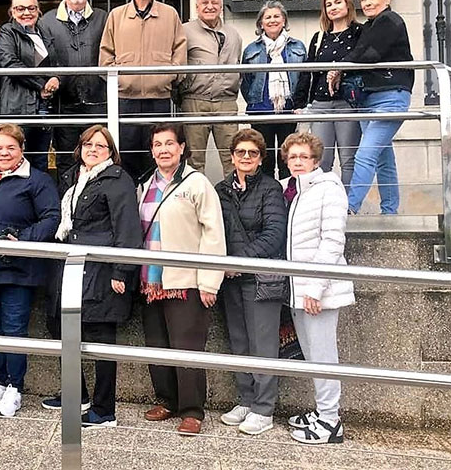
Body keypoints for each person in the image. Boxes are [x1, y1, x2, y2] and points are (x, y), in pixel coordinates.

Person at [41, 125, 141, 427]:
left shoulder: (118, 180)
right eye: (88, 144)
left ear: (110, 152)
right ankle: (76, 394)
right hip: (70, 266)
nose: (93, 149)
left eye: (100, 145)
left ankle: (104, 408)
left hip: (102, 270)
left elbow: (127, 229)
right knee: (61, 329)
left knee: (100, 339)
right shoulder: (72, 177)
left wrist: (121, 270)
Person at [0, 123, 60, 417]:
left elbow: (51, 217)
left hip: (18, 268)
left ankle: (15, 389)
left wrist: (22, 241)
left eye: (10, 147)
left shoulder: (36, 180)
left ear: (22, 149)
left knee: (14, 330)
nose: (3, 153)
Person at [139, 124, 226, 436]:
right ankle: (167, 399)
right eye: (157, 144)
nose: (163, 150)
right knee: (158, 345)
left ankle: (192, 410)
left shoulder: (197, 183)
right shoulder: (145, 184)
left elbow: (214, 234)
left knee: (186, 347)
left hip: (185, 280)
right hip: (151, 280)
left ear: (181, 148)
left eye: (169, 144)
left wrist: (209, 282)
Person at [279, 132, 354, 445]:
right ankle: (323, 412)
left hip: (317, 291)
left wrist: (315, 288)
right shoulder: (289, 189)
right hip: (297, 289)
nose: (298, 162)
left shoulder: (329, 189)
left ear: (315, 160)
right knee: (311, 355)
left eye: (303, 157)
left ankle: (330, 421)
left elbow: (333, 240)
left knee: (323, 355)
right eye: (293, 157)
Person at [215, 129, 287, 435]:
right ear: (231, 157)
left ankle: (264, 407)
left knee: (263, 344)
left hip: (259, 277)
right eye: (241, 152)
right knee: (239, 341)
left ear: (261, 158)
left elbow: (273, 234)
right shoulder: (220, 190)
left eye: (252, 153)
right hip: (231, 279)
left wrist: (238, 260)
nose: (246, 157)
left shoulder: (270, 189)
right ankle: (246, 398)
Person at [328, 0, 414, 214]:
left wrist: (339, 68)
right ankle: (390, 211)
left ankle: (349, 207)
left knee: (365, 154)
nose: (367, 3)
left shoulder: (390, 20)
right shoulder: (370, 26)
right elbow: (359, 52)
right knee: (383, 158)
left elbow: (370, 54)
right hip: (369, 98)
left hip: (391, 96)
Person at [99, 0, 187, 182]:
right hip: (125, 100)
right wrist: (120, 81)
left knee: (158, 155)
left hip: (159, 99)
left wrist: (169, 77)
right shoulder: (116, 16)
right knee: (124, 157)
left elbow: (180, 51)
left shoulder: (170, 15)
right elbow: (105, 56)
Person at [39, 0, 108, 178]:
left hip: (97, 102)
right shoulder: (47, 22)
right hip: (64, 104)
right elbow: (42, 61)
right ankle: (66, 205)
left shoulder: (103, 18)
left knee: (99, 157)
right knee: (66, 160)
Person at [294, 0, 363, 186]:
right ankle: (323, 203)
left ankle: (349, 207)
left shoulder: (359, 32)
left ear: (348, 4)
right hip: (320, 104)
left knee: (349, 159)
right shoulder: (319, 38)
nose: (333, 7)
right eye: (328, 4)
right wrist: (299, 103)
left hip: (346, 103)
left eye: (338, 2)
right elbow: (307, 72)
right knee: (321, 160)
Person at [177, 0, 242, 176]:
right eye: (205, 2)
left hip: (226, 102)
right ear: (197, 7)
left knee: (233, 159)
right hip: (195, 101)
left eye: (214, 2)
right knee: (194, 160)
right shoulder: (184, 30)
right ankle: (196, 202)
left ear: (221, 6)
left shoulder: (234, 34)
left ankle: (235, 202)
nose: (210, 6)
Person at [241, 0, 306, 179]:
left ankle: (288, 198)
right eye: (267, 17)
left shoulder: (298, 47)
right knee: (264, 160)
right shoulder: (251, 49)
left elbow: (304, 79)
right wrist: (256, 101)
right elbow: (246, 83)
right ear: (261, 23)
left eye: (277, 16)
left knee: (287, 158)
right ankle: (267, 200)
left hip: (289, 111)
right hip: (261, 112)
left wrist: (299, 104)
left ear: (284, 20)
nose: (272, 20)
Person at [0, 0, 58, 172]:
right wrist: (41, 85)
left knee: (39, 161)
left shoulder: (44, 33)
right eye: (20, 8)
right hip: (18, 108)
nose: (26, 13)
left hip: (44, 107)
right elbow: (10, 63)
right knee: (15, 160)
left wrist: (57, 78)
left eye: (31, 8)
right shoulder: (8, 32)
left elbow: (57, 62)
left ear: (38, 11)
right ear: (12, 12)